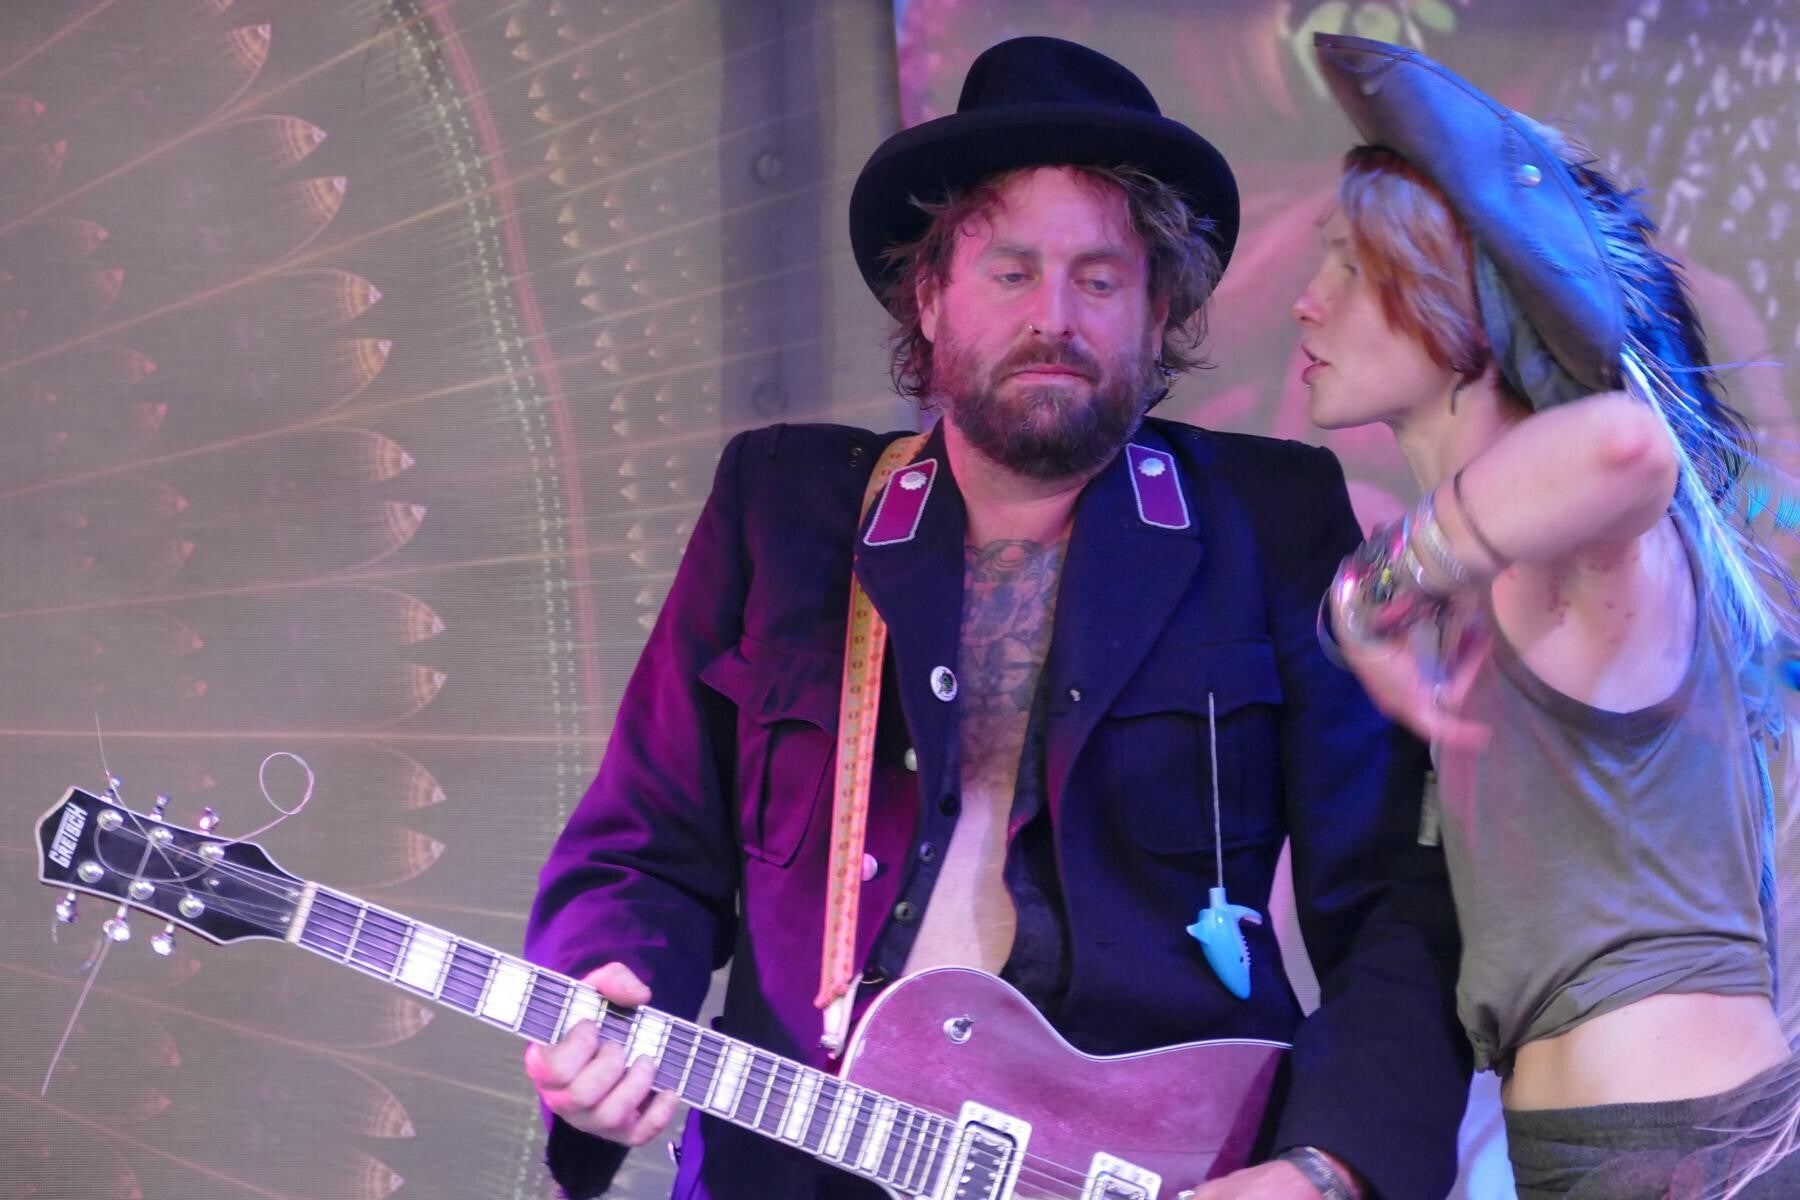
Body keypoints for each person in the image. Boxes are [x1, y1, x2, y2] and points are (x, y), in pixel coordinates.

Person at [523, 36, 1470, 1200]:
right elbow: (643, 847)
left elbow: (1395, 903)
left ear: (1159, 309)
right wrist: (613, 992)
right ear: (929, 297)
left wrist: (1328, 1171)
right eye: (1011, 273)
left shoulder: (1267, 522)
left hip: (1149, 1168)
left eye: (1101, 280)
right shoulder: (788, 510)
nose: (1054, 319)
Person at [1297, 33, 1800, 1199]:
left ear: (1456, 308)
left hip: (1676, 1154)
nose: (1308, 303)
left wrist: (1376, 589)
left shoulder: (1562, 554)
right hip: (1617, 1152)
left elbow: (1628, 445)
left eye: (1352, 268)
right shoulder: (1505, 563)